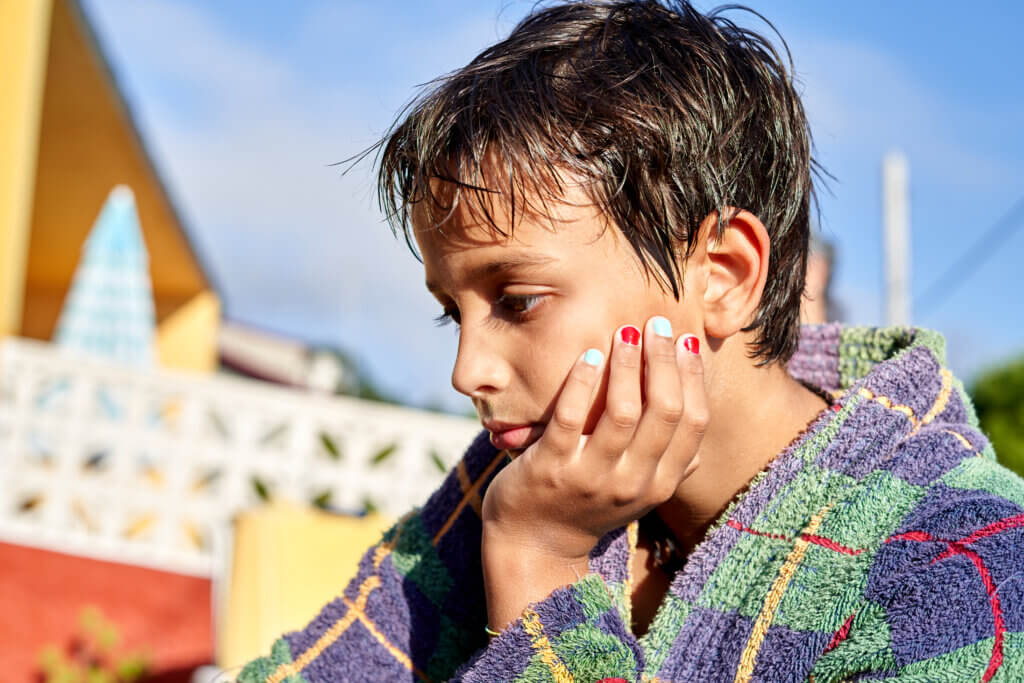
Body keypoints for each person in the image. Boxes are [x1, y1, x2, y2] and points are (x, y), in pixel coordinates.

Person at [239, 2, 1024, 681]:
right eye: (453, 311)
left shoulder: (971, 567)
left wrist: (542, 567)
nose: (466, 370)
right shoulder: (531, 481)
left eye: (518, 300)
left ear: (722, 275)